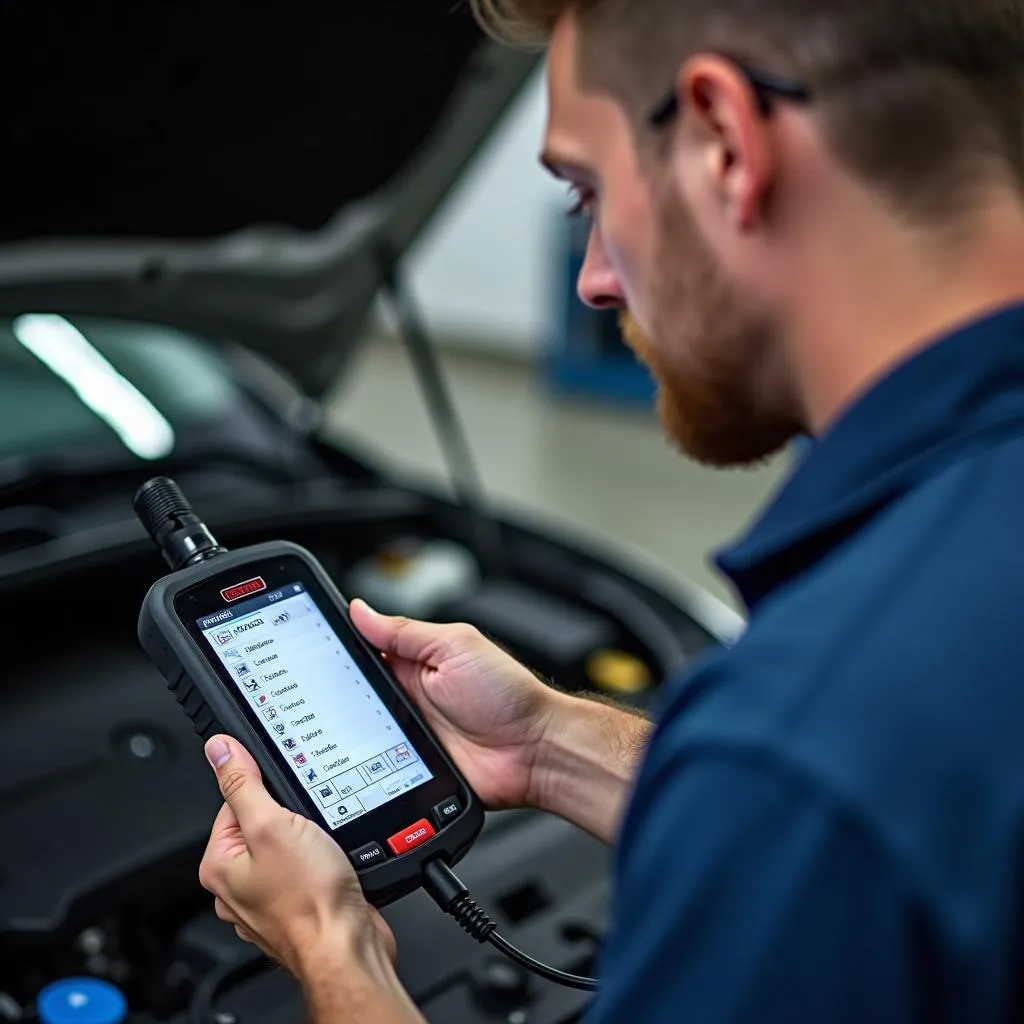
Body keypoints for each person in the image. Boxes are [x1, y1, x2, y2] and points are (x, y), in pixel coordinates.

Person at [196, 0, 1024, 1020]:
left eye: (585, 190)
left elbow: (824, 798)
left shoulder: (818, 724)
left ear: (725, 141)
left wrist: (330, 952)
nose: (591, 279)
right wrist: (546, 742)